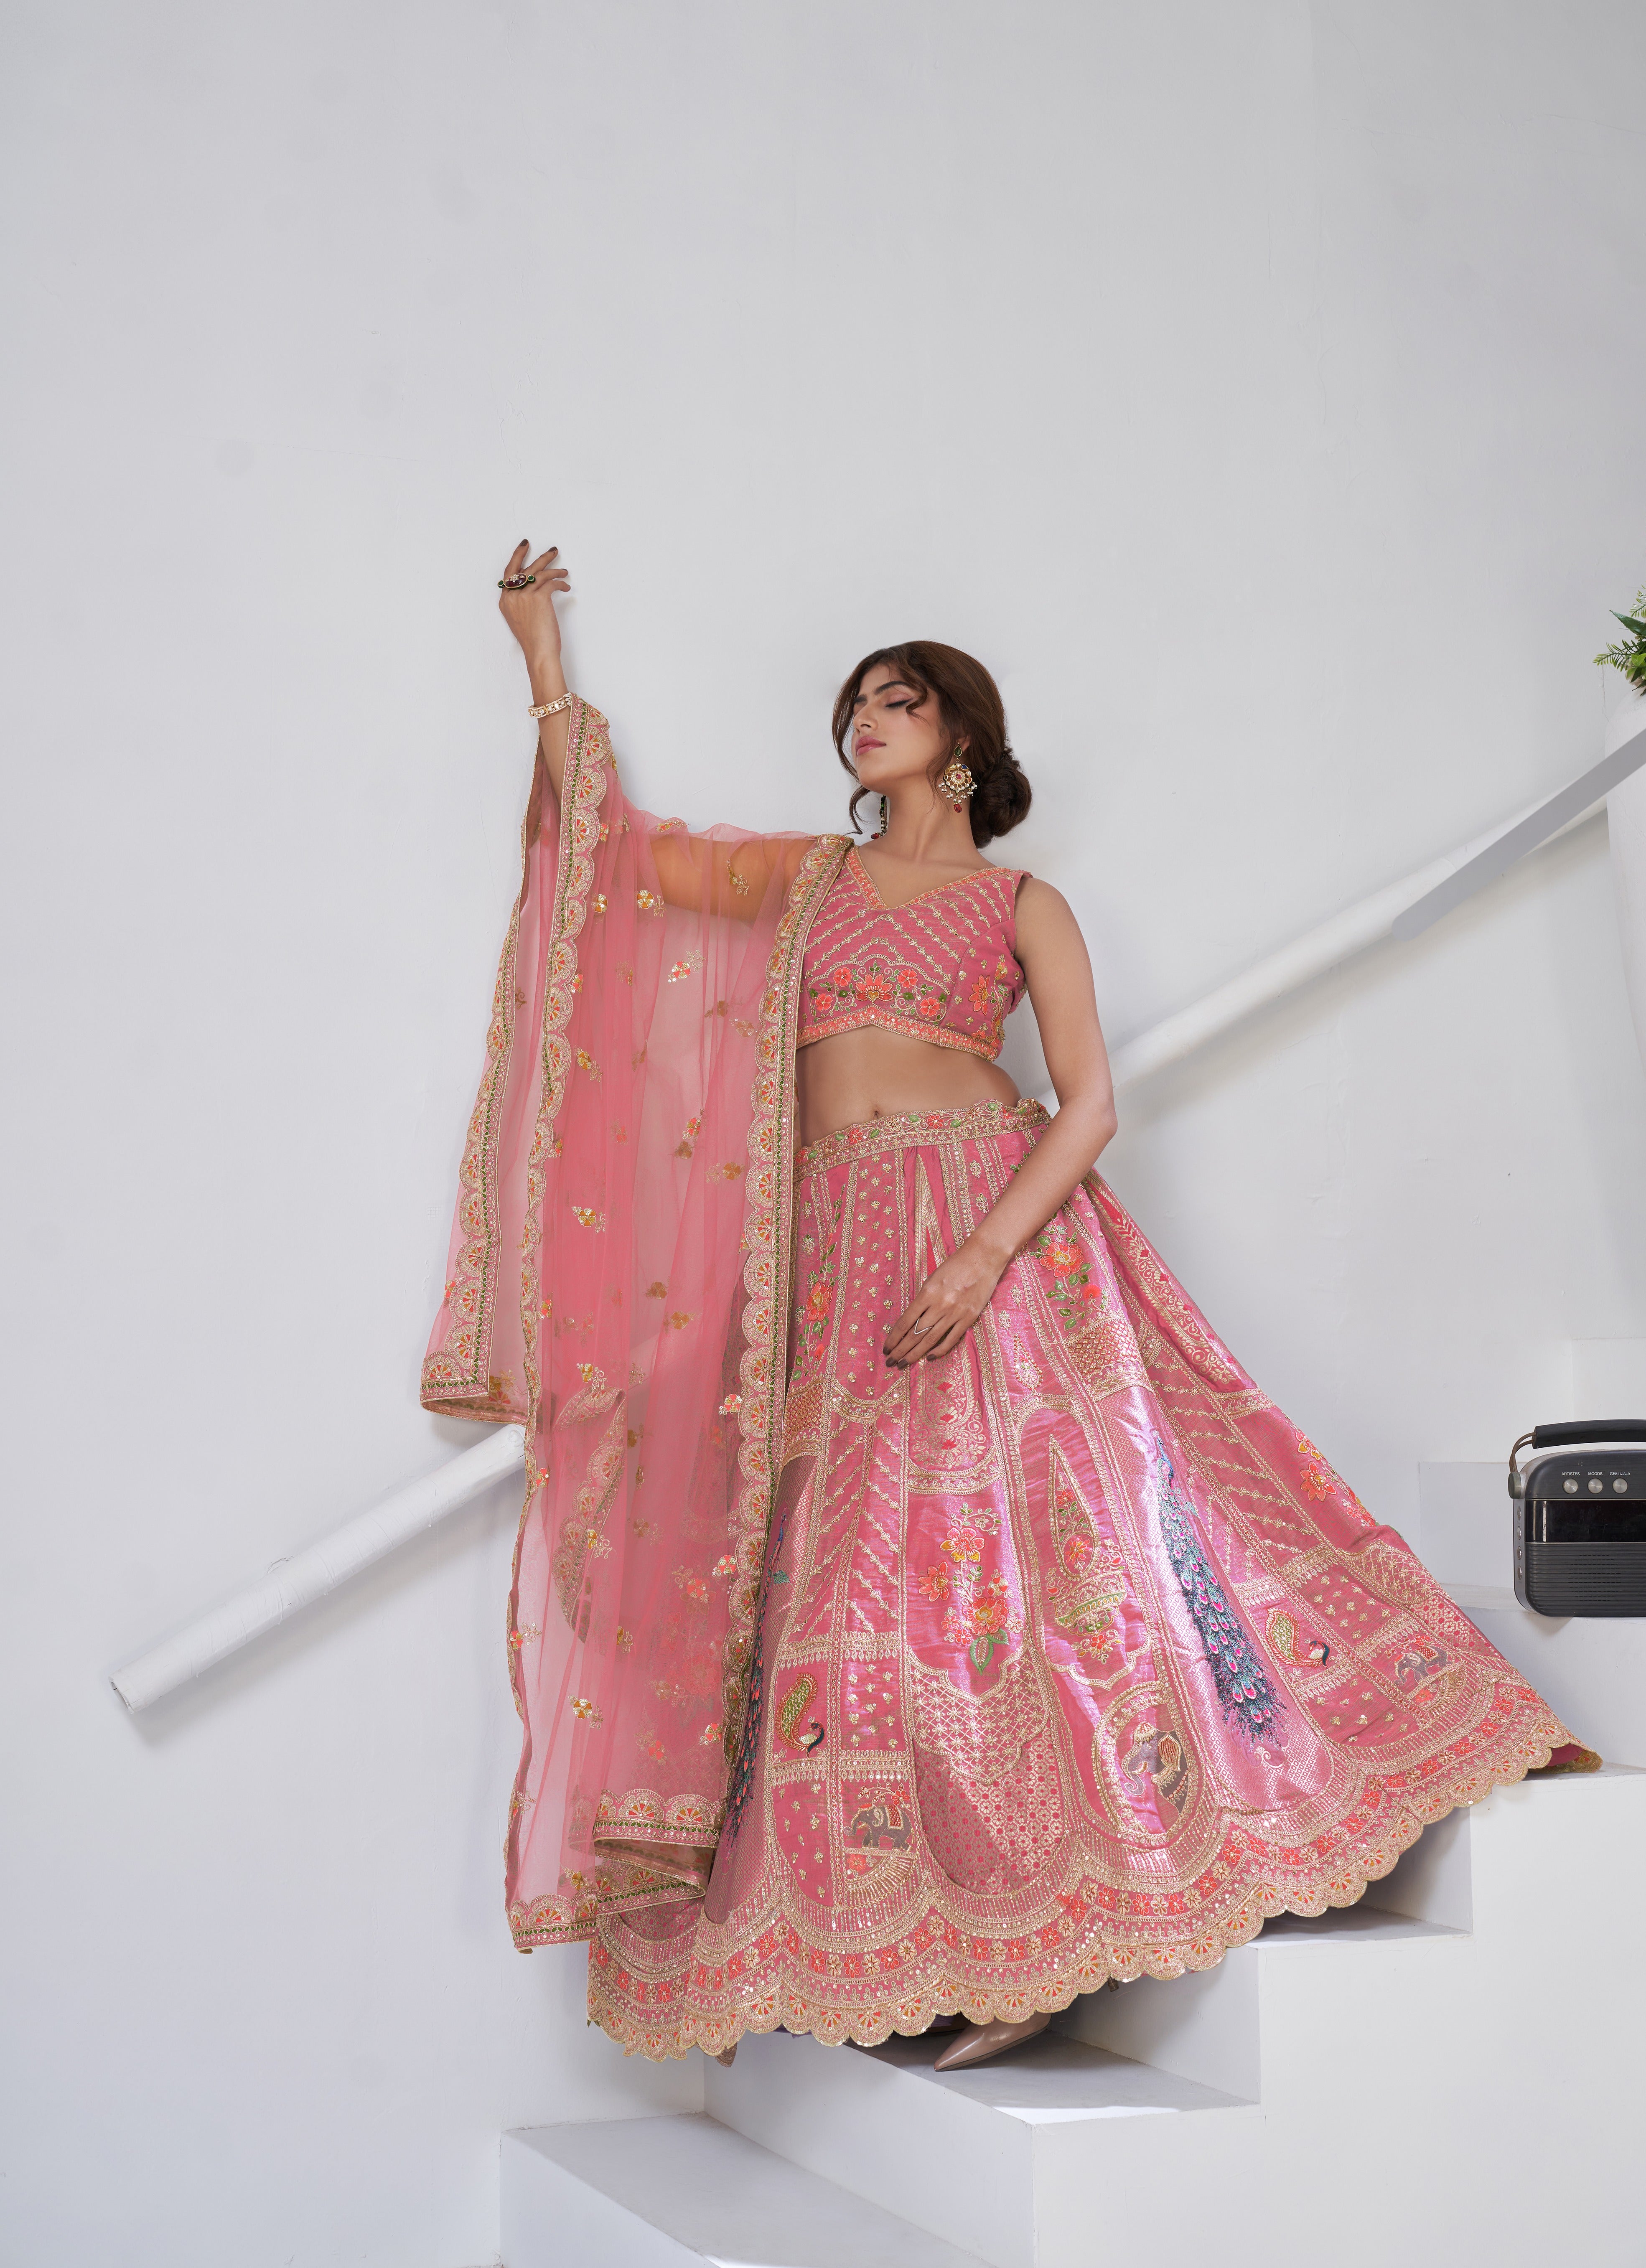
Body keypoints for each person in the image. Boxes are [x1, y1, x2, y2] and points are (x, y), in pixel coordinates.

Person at [421, 541, 1589, 2070]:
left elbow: (1088, 1102)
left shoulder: (1023, 901)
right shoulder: (806, 879)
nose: (865, 717)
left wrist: (978, 1257)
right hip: (835, 1249)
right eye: (855, 703)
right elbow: (627, 863)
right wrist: (542, 665)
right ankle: (972, 1926)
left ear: (963, 737)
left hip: (996, 1233)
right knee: (864, 1600)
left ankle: (1079, 1927)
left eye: (897, 700)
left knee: (1071, 1557)